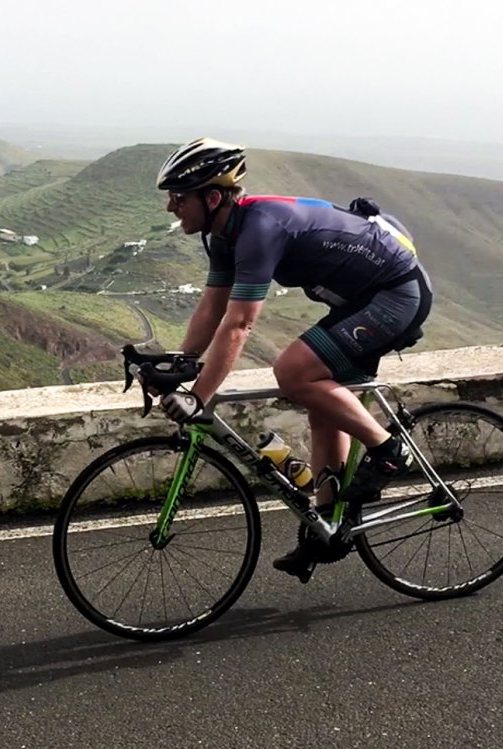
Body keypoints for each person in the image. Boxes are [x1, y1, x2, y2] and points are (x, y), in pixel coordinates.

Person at [155, 137, 433, 581]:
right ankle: (328, 527)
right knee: (322, 406)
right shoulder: (224, 235)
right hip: (359, 299)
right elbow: (212, 309)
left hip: (396, 294)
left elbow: (239, 324)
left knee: (293, 372)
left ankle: (388, 450)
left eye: (178, 197)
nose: (171, 207)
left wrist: (200, 395)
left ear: (212, 197)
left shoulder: (260, 229)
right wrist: (180, 360)